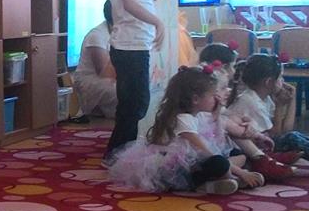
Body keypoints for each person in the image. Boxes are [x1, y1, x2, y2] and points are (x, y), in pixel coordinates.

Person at [109, 66, 264, 195]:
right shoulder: (183, 120)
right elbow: (207, 152)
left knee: (239, 155)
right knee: (220, 163)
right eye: (212, 95)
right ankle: (212, 184)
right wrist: (242, 173)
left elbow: (216, 134)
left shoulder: (199, 114)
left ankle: (223, 180)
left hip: (196, 161)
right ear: (196, 99)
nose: (216, 98)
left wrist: (217, 111)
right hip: (178, 169)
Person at [105, 0, 164, 160]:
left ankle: (119, 152)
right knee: (135, 104)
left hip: (130, 45)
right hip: (131, 46)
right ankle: (118, 154)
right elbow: (130, 3)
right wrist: (157, 22)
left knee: (132, 103)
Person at [199, 43, 298, 181]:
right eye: (222, 88)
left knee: (241, 157)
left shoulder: (261, 98)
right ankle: (261, 161)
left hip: (235, 148)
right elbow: (278, 133)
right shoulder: (248, 100)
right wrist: (254, 132)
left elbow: (232, 120)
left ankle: (257, 163)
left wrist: (248, 123)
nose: (227, 90)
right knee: (293, 138)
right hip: (214, 153)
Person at [70, 0, 117, 122]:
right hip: (93, 80)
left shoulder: (121, 33)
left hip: (111, 78)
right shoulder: (96, 35)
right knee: (124, 92)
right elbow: (103, 71)